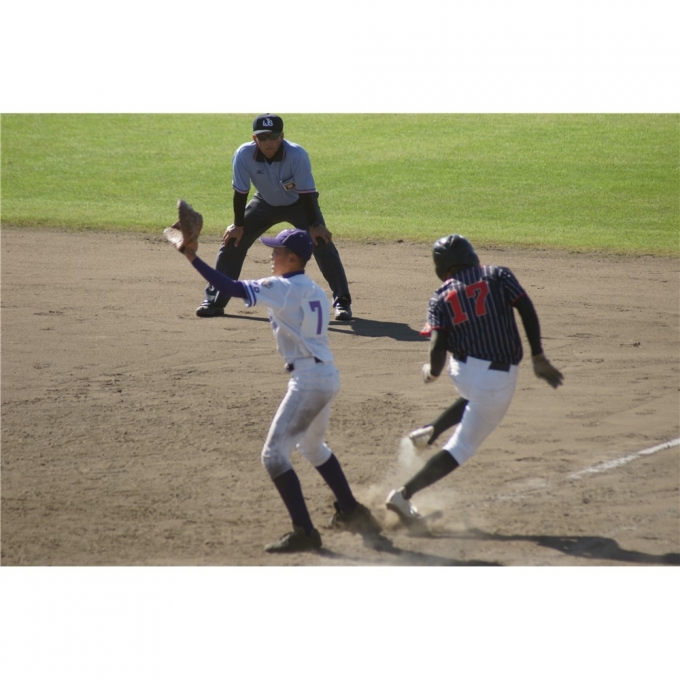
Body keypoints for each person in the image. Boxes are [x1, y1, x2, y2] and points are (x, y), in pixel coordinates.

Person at [173, 222, 377, 553]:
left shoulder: (282, 287)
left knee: (273, 456)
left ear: (292, 258)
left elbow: (230, 287)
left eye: (277, 251)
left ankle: (305, 531)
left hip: (308, 381)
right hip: (328, 376)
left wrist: (193, 258)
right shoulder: (315, 290)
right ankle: (352, 511)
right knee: (312, 447)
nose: (271, 256)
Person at [385, 234, 564, 521]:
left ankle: (431, 431)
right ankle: (403, 496)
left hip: (461, 372)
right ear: (471, 256)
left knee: (474, 396)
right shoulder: (498, 275)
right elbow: (526, 308)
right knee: (462, 446)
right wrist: (538, 356)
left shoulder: (439, 296)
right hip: (496, 379)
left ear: (441, 267)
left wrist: (432, 372)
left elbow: (438, 344)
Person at [196, 113, 353, 321]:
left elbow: (306, 194)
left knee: (321, 242)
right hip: (264, 202)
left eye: (273, 136)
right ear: (255, 138)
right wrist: (238, 225)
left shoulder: (297, 154)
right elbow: (240, 192)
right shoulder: (243, 155)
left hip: (300, 203)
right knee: (233, 241)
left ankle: (342, 302)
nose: (268, 142)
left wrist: (314, 225)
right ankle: (214, 301)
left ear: (282, 136)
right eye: (262, 137)